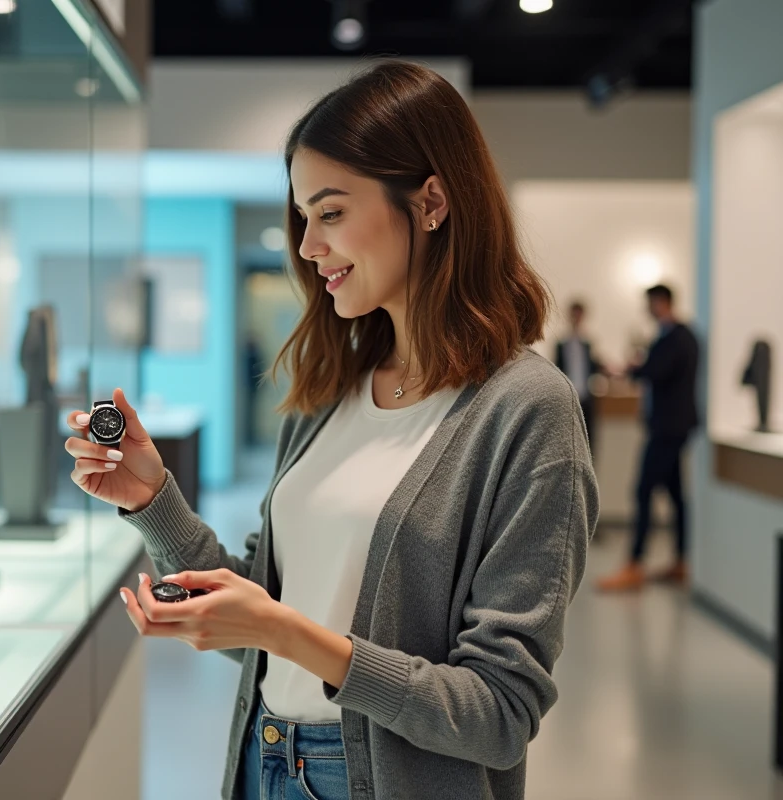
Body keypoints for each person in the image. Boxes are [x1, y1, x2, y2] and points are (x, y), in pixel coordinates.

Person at [65, 61, 596, 800]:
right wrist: (153, 497)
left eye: (332, 212)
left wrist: (287, 634)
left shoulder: (527, 410)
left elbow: (497, 713)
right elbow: (267, 604)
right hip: (264, 759)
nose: (309, 247)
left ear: (432, 201)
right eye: (303, 218)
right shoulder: (331, 390)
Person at [598, 284, 699, 592]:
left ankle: (635, 564)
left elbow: (657, 371)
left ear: (662, 302)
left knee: (643, 490)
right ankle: (681, 561)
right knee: (676, 495)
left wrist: (632, 367)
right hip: (668, 428)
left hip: (669, 429)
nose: (647, 310)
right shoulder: (670, 337)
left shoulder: (680, 338)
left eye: (650, 304)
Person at [555, 301, 604, 459]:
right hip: (568, 396)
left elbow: (593, 368)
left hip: (586, 397)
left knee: (589, 442)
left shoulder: (588, 344)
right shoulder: (561, 344)